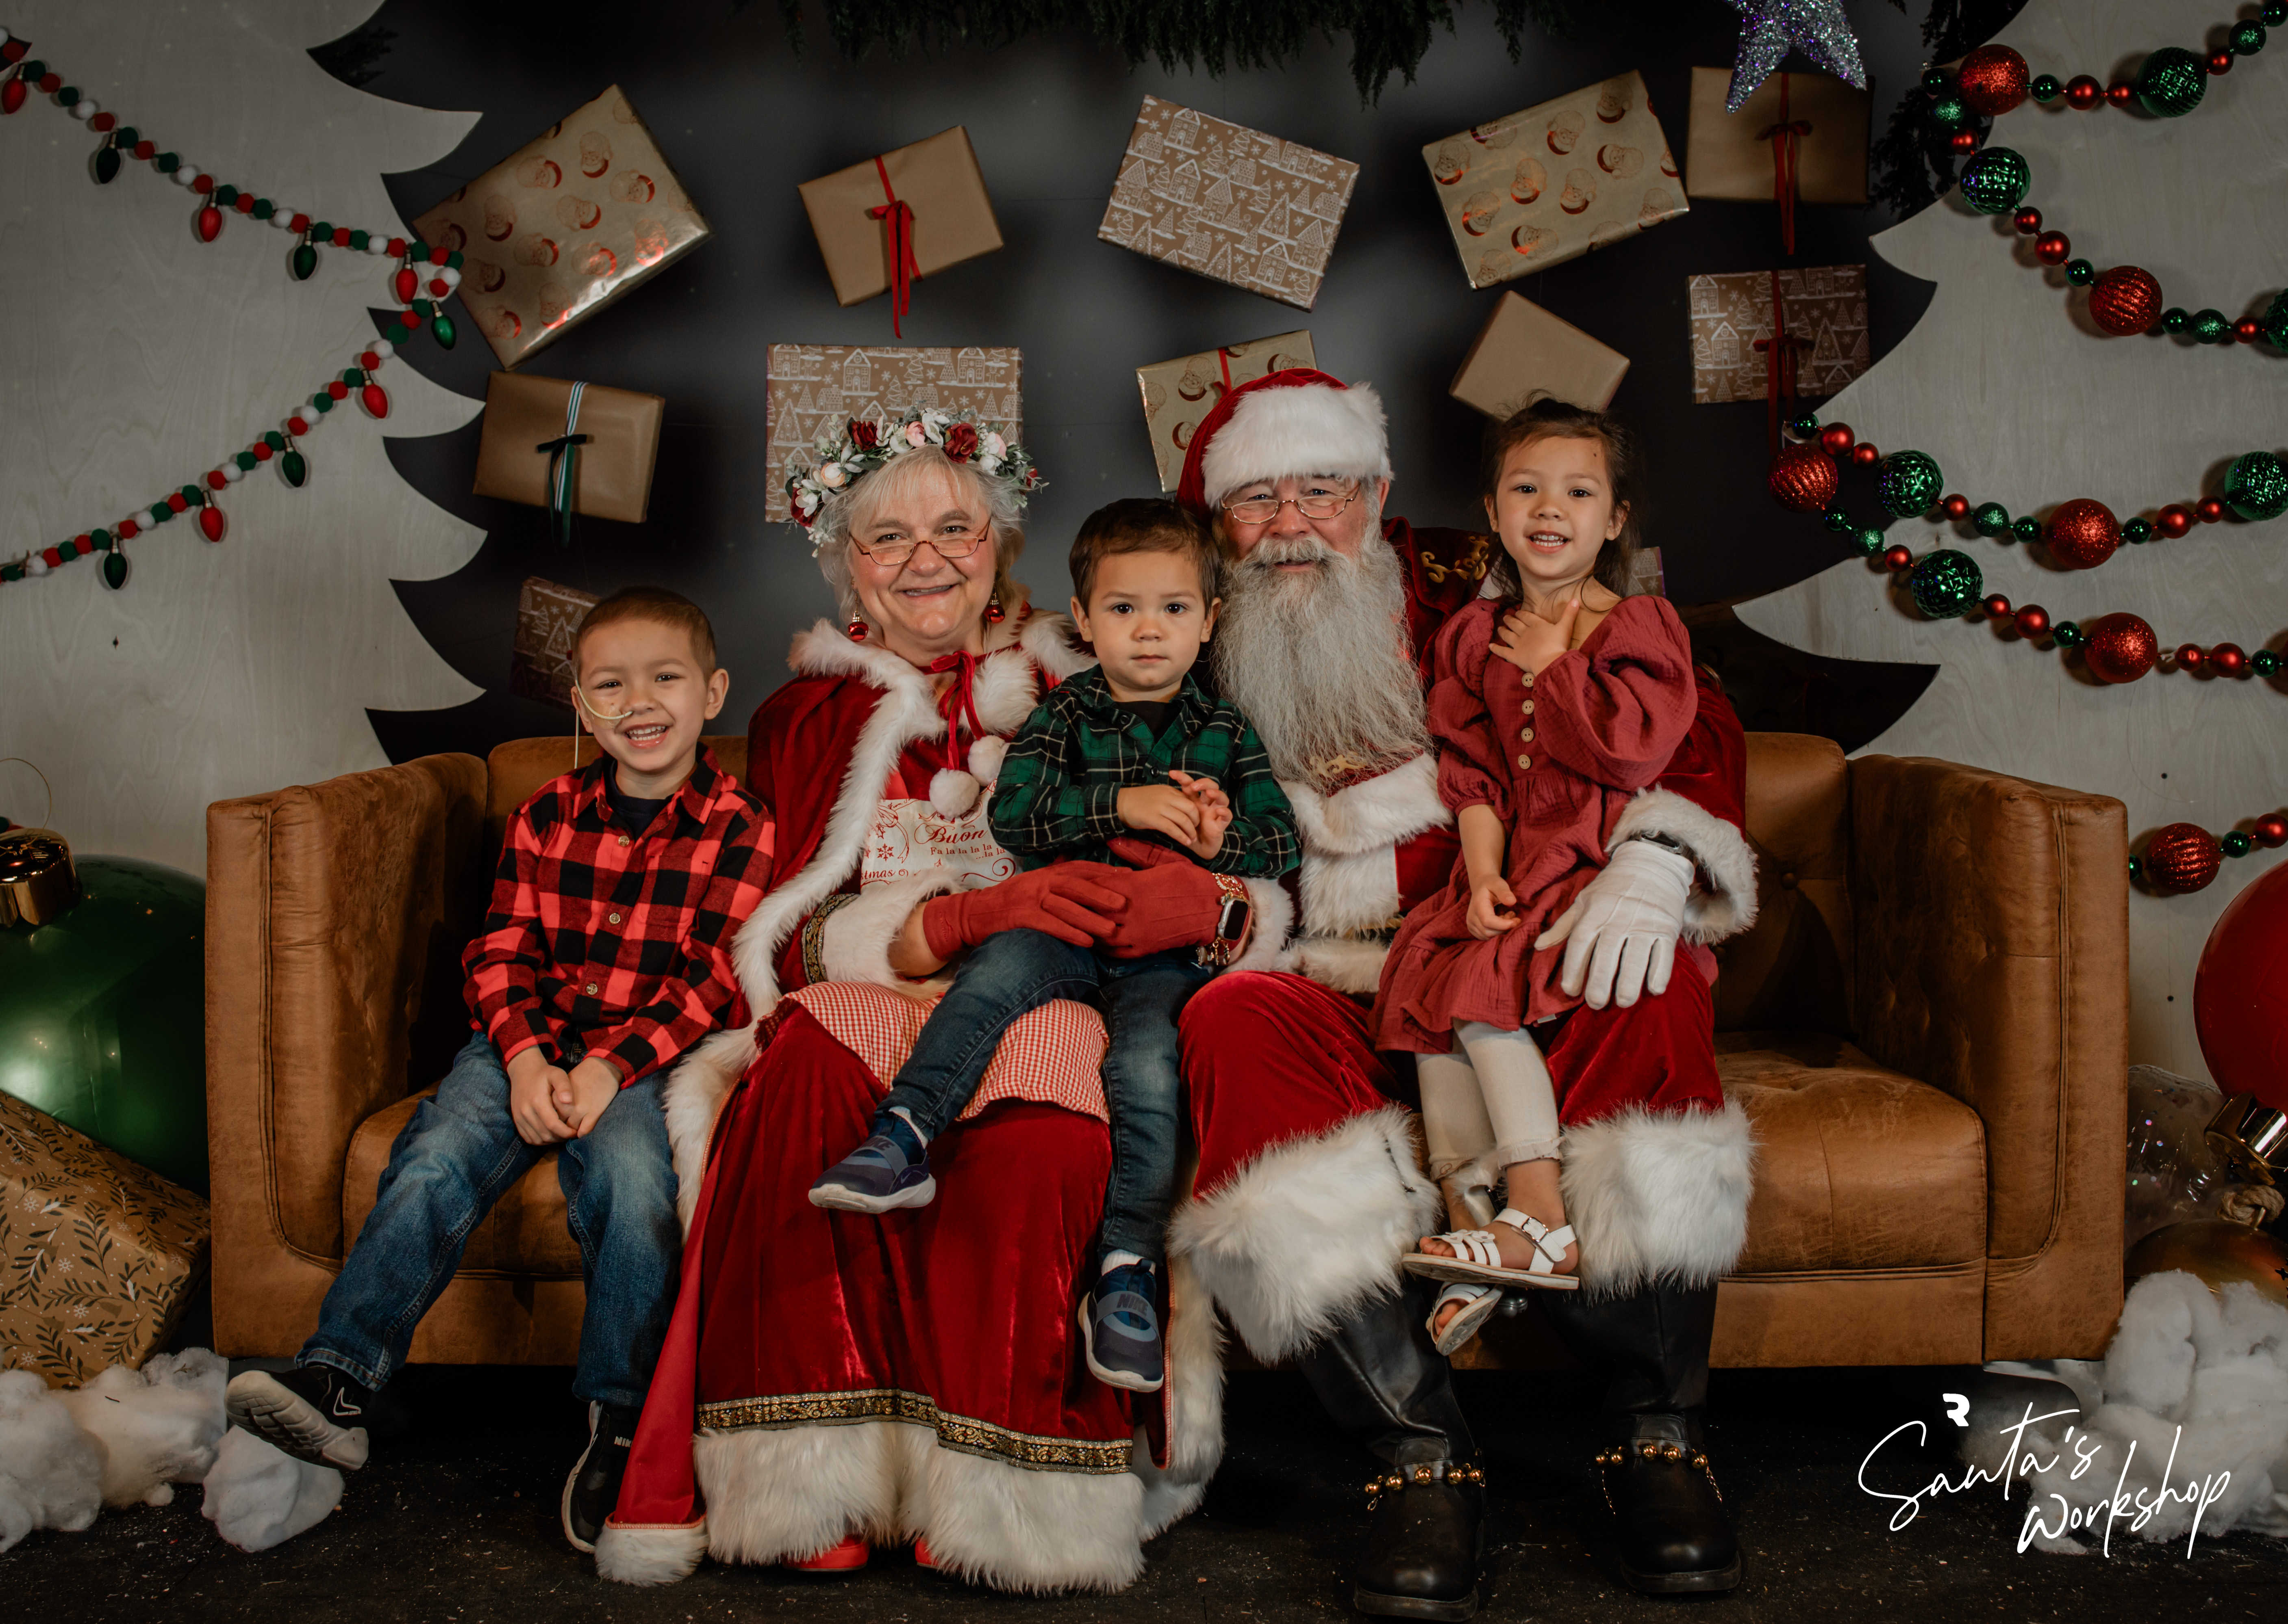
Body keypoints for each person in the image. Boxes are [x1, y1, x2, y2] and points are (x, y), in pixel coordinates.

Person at [599, 411, 1293, 1593]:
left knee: (1048, 1138)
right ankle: (808, 1481)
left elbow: (1242, 861)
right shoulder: (801, 717)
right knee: (805, 1080)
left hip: (1063, 984)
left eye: (955, 529)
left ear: (999, 544)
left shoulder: (1098, 671)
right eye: (887, 537)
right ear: (846, 564)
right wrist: (950, 924)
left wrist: (1211, 903)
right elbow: (784, 939)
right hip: (884, 988)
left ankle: (1007, 1495)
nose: (925, 559)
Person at [1149, 370, 1761, 1613]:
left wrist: (1653, 859)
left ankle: (1653, 1429)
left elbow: (1681, 714)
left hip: (1509, 959)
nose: (1290, 524)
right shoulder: (1174, 628)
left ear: (1374, 494)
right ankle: (1414, 1446)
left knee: (1644, 993)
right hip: (1315, 978)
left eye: (1320, 489)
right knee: (1226, 1023)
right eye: (1256, 500)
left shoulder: (1471, 588)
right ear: (1218, 523)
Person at [224, 587, 769, 1556]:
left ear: (713, 693)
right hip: (522, 1042)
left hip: (644, 1060)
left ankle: (621, 1419)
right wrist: (521, 1059)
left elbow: (714, 980)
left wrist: (607, 1072)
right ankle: (341, 1378)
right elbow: (501, 949)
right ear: (582, 706)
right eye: (611, 685)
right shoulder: (546, 812)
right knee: (435, 1157)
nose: (639, 703)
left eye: (665, 678)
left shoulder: (740, 823)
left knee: (638, 1184)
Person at [808, 498, 1297, 1396]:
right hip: (1060, 922)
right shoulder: (1064, 713)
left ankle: (1126, 1271)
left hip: (1163, 958)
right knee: (990, 980)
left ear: (1208, 621)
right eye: (1122, 609)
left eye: (1173, 609)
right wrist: (1120, 804)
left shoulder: (1227, 730)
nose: (1147, 630)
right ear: (1083, 619)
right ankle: (903, 1134)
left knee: (1148, 1071)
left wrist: (1221, 836)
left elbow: (1279, 846)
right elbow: (1017, 817)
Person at [1376, 399, 1703, 1361]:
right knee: (1427, 986)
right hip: (1516, 863)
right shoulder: (1471, 635)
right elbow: (1472, 773)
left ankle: (1539, 1211)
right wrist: (1480, 875)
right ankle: (1475, 1219)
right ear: (1492, 509)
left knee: (1481, 995)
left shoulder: (1637, 624)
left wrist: (1559, 666)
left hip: (1588, 863)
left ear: (1613, 518)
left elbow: (1632, 749)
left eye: (1578, 492)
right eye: (1525, 488)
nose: (1549, 508)